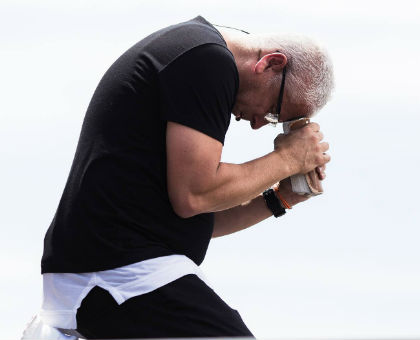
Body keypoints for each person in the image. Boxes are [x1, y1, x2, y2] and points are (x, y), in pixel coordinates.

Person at [22, 15, 334, 339]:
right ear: (271, 64)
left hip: (106, 272)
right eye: (272, 111)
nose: (258, 124)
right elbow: (196, 195)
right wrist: (288, 158)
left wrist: (280, 198)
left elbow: (193, 216)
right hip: (117, 273)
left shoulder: (195, 55)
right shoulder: (206, 60)